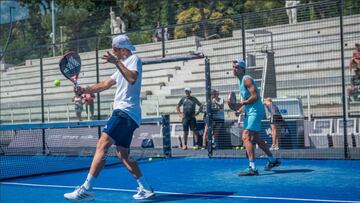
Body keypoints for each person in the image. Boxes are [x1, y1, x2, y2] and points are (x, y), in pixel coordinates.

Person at [64, 35, 155, 201]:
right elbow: (105, 84)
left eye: (115, 50)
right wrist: (84, 89)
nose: (113, 53)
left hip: (124, 112)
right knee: (123, 154)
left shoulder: (134, 59)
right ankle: (146, 188)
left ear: (122, 48)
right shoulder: (122, 66)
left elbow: (132, 78)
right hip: (129, 115)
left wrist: (116, 62)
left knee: (102, 145)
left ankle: (86, 189)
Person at [229, 59, 280, 176]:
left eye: (236, 67)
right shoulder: (240, 80)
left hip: (255, 112)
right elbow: (248, 101)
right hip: (251, 111)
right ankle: (272, 160)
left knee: (246, 136)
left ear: (242, 68)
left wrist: (241, 104)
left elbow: (255, 97)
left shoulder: (246, 79)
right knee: (256, 139)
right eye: (233, 67)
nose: (234, 69)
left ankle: (252, 167)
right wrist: (240, 109)